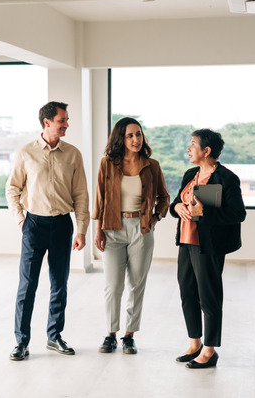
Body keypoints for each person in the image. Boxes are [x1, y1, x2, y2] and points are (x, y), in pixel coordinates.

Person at [5, 101, 90, 361]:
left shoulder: (73, 154)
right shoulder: (26, 152)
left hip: (62, 225)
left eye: (66, 119)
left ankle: (54, 336)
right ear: (47, 122)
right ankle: (21, 342)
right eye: (62, 120)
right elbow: (12, 189)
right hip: (33, 224)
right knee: (27, 286)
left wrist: (82, 229)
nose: (66, 124)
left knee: (60, 284)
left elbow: (81, 195)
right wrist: (21, 221)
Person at [169, 128, 246, 369]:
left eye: (193, 144)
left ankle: (210, 350)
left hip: (209, 245)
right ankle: (195, 344)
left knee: (209, 296)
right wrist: (177, 208)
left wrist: (206, 212)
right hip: (186, 241)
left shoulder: (227, 178)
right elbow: (176, 203)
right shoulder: (190, 173)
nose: (188, 149)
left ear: (206, 150)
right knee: (187, 293)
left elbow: (238, 213)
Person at [92, 117, 170, 354]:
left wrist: (155, 218)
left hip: (142, 229)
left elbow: (164, 198)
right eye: (130, 135)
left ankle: (129, 335)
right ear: (120, 138)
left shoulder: (152, 166)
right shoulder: (108, 164)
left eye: (139, 134)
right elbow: (100, 199)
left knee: (137, 284)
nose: (136, 139)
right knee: (113, 285)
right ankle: (110, 334)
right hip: (112, 228)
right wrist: (98, 230)